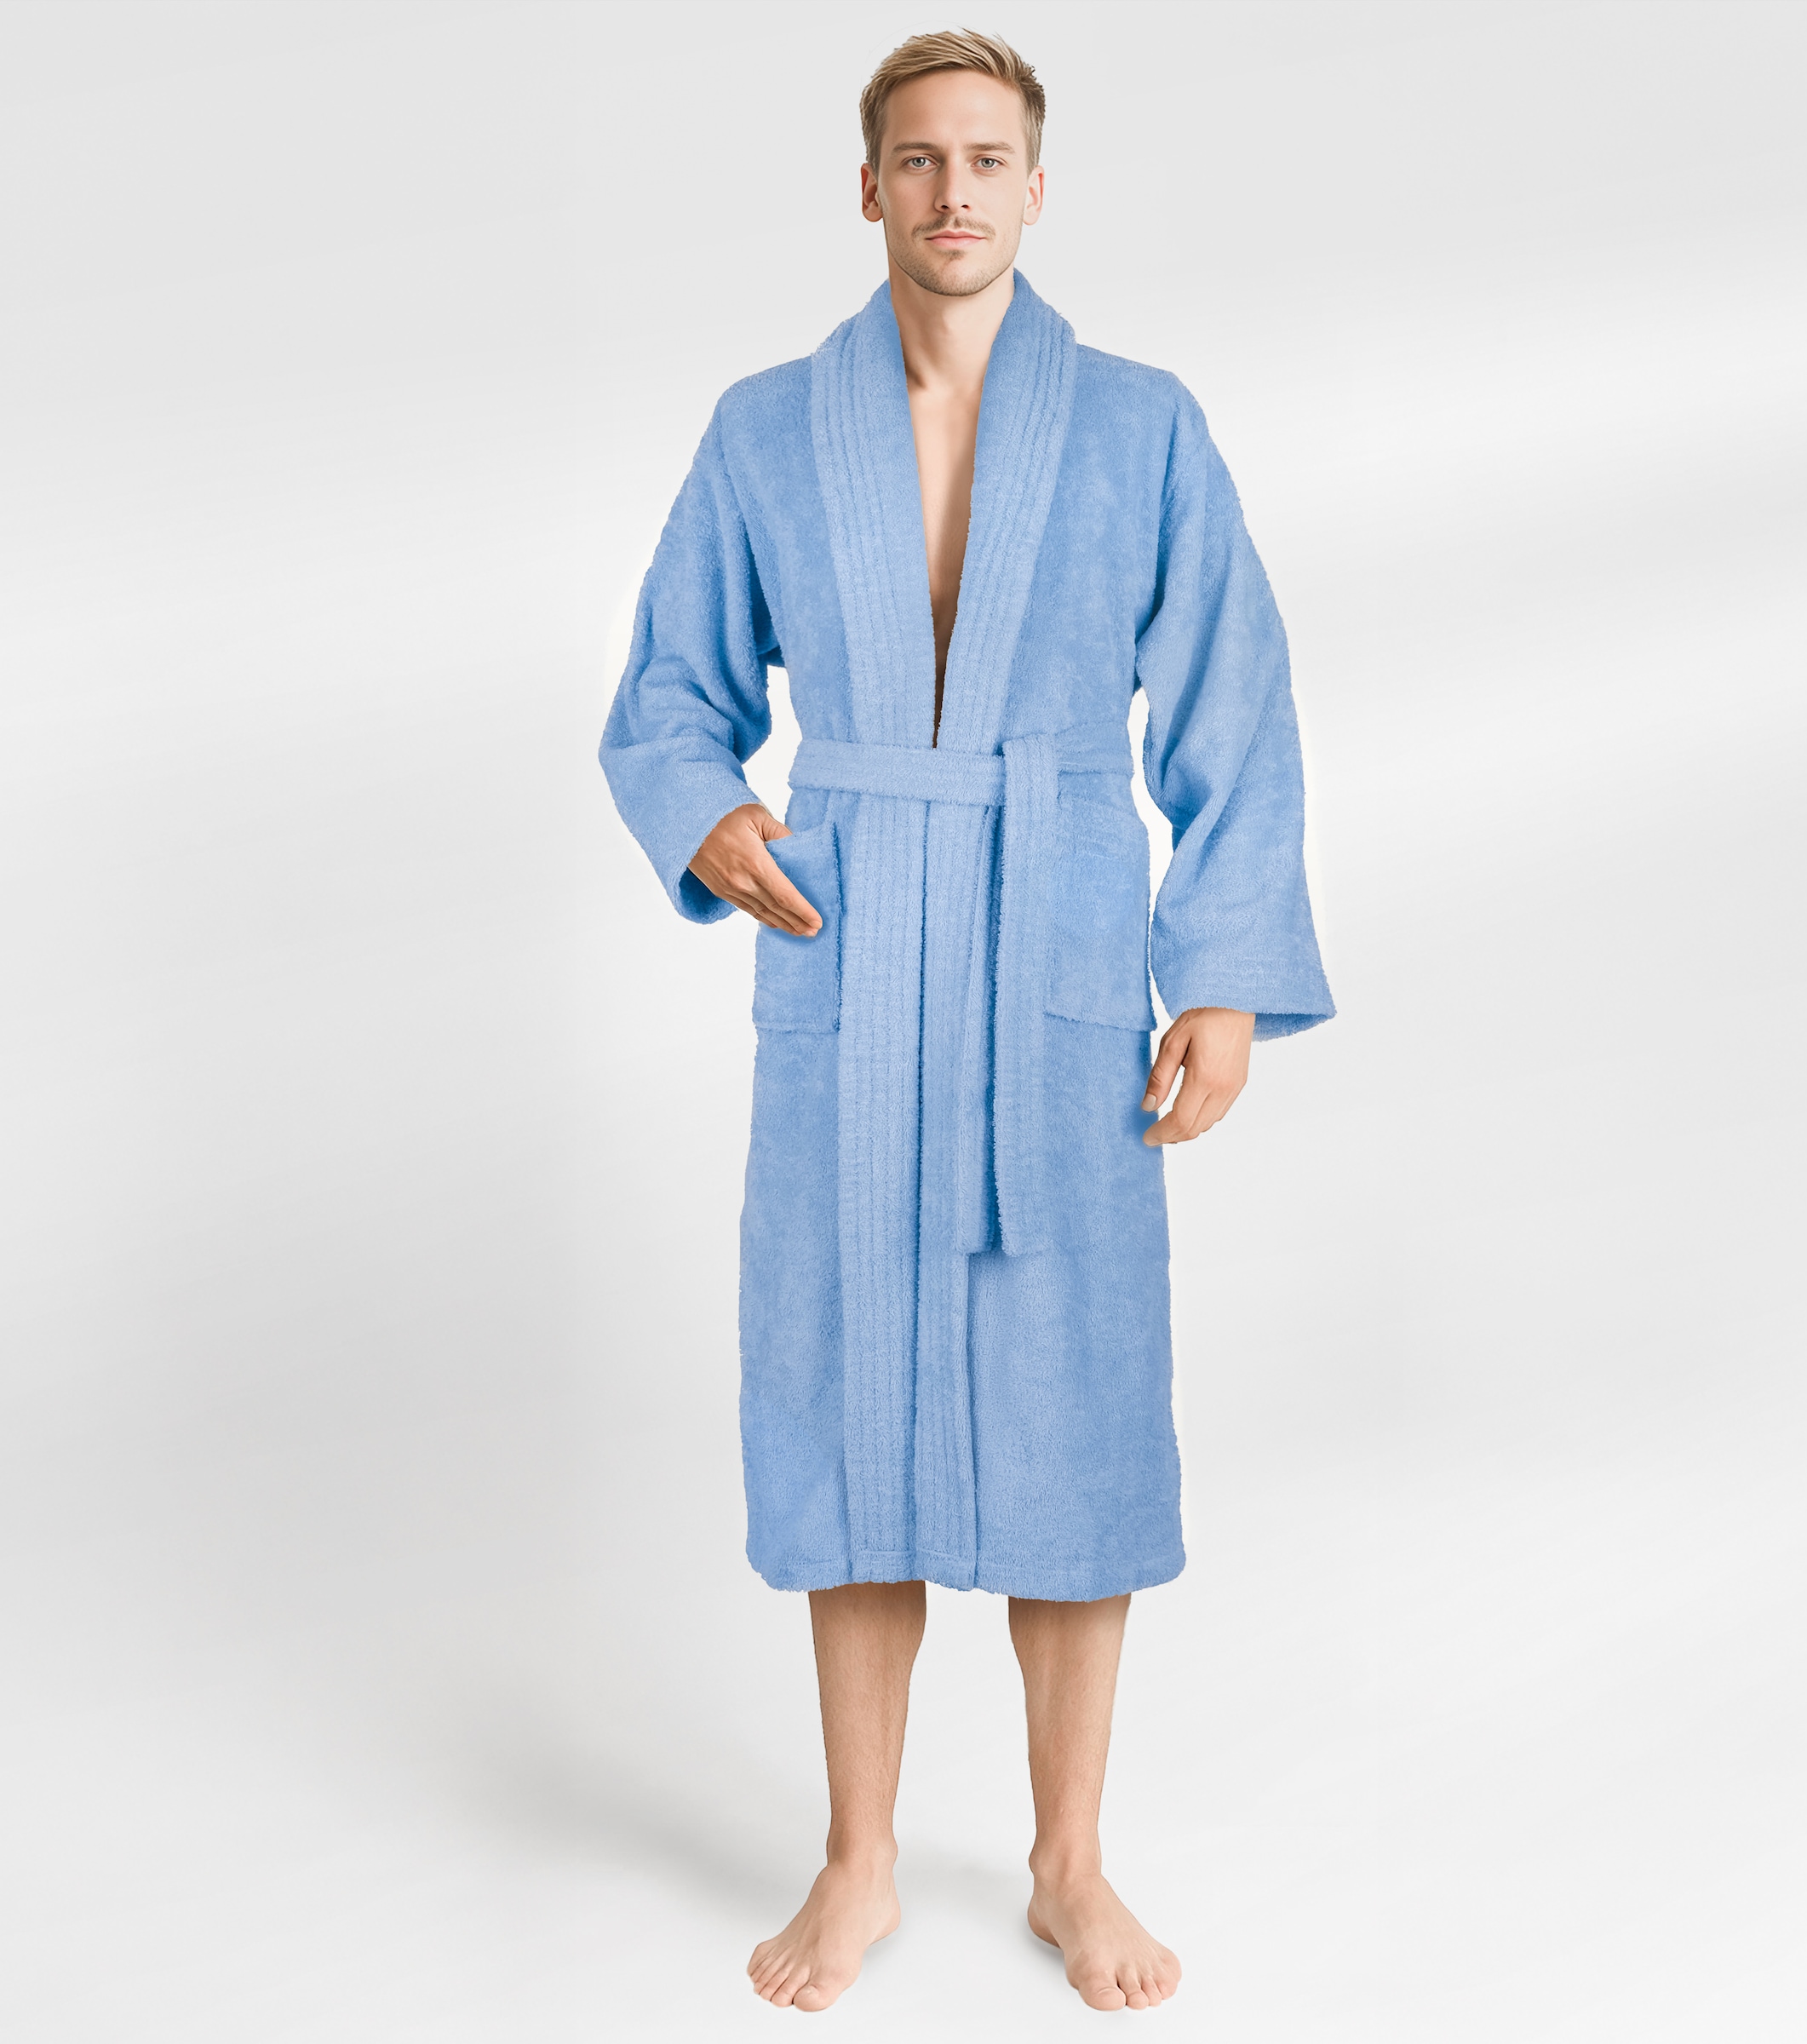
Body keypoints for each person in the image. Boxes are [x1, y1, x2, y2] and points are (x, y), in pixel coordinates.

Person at [598, 28, 1332, 2014]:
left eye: (987, 158)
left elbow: (1234, 702)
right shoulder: (768, 430)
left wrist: (1220, 976)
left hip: (1057, 953)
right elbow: (667, 691)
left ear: (1035, 187)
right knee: (853, 1410)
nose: (952, 191)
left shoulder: (1141, 428)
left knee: (1073, 1410)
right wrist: (710, 810)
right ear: (869, 189)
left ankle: (1069, 1862)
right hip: (853, 953)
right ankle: (858, 1860)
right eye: (918, 159)